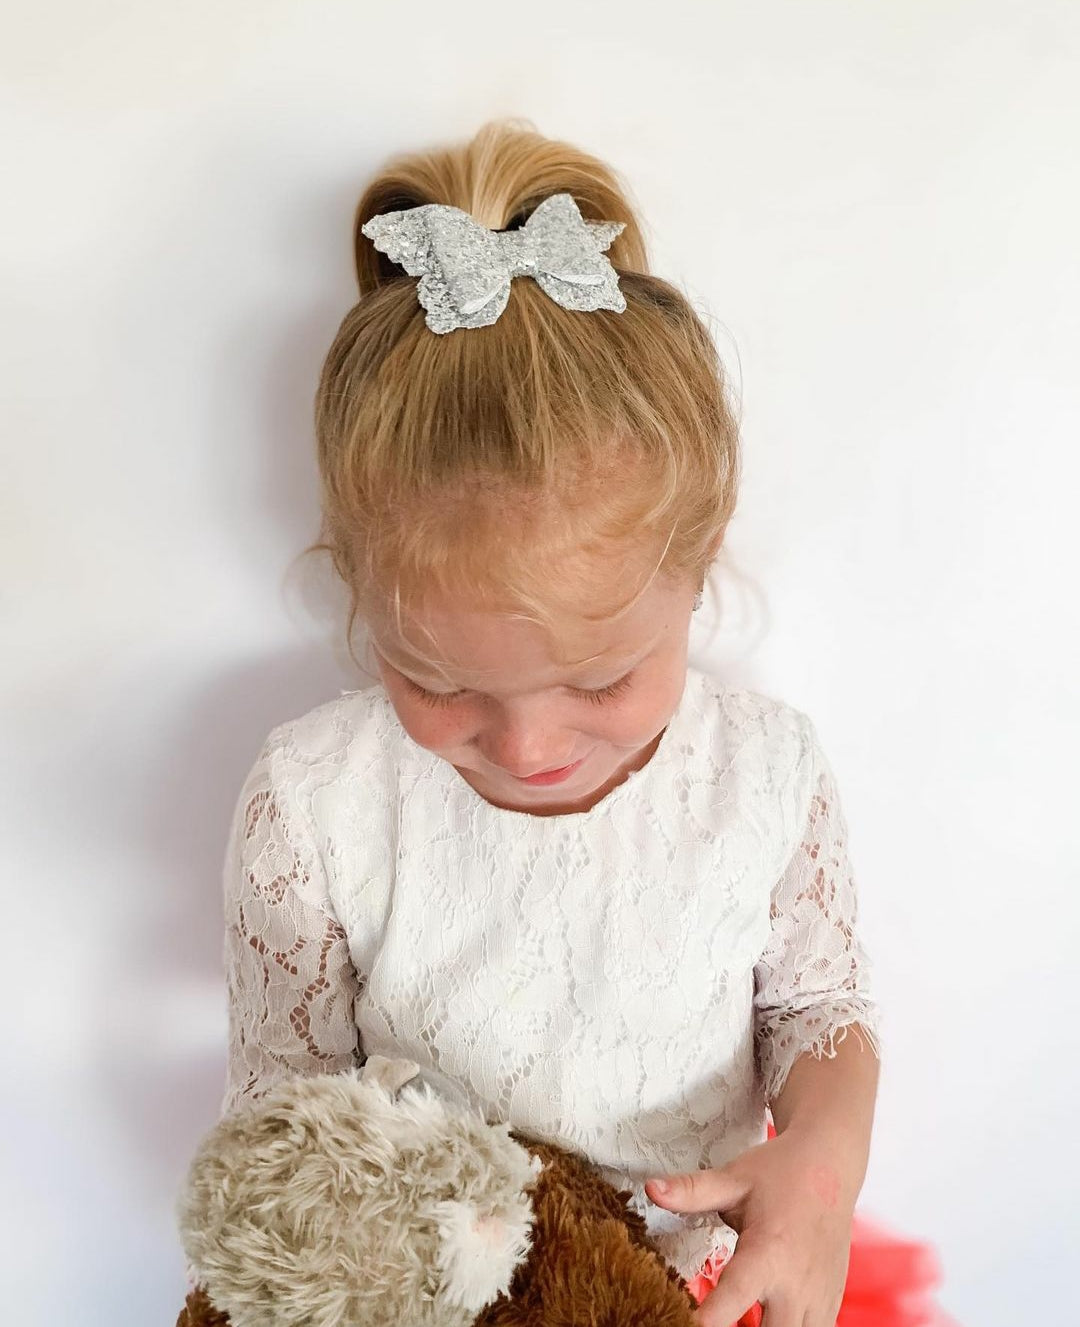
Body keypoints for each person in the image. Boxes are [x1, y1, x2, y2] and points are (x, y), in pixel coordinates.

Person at [216, 119, 893, 1327]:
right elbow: (289, 1121)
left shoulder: (762, 775)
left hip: (694, 1293)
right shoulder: (317, 802)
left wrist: (822, 1165)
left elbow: (816, 1008)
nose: (529, 746)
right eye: (440, 680)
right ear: (356, 592)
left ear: (698, 572)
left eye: (602, 677)